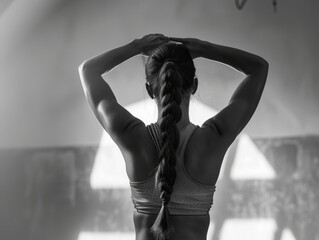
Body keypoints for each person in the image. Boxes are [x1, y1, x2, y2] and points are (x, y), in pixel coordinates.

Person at [78, 33, 268, 240]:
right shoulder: (214, 137)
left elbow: (88, 71)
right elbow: (258, 68)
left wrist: (136, 46)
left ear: (150, 90)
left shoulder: (130, 135)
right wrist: (205, 48)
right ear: (193, 86)